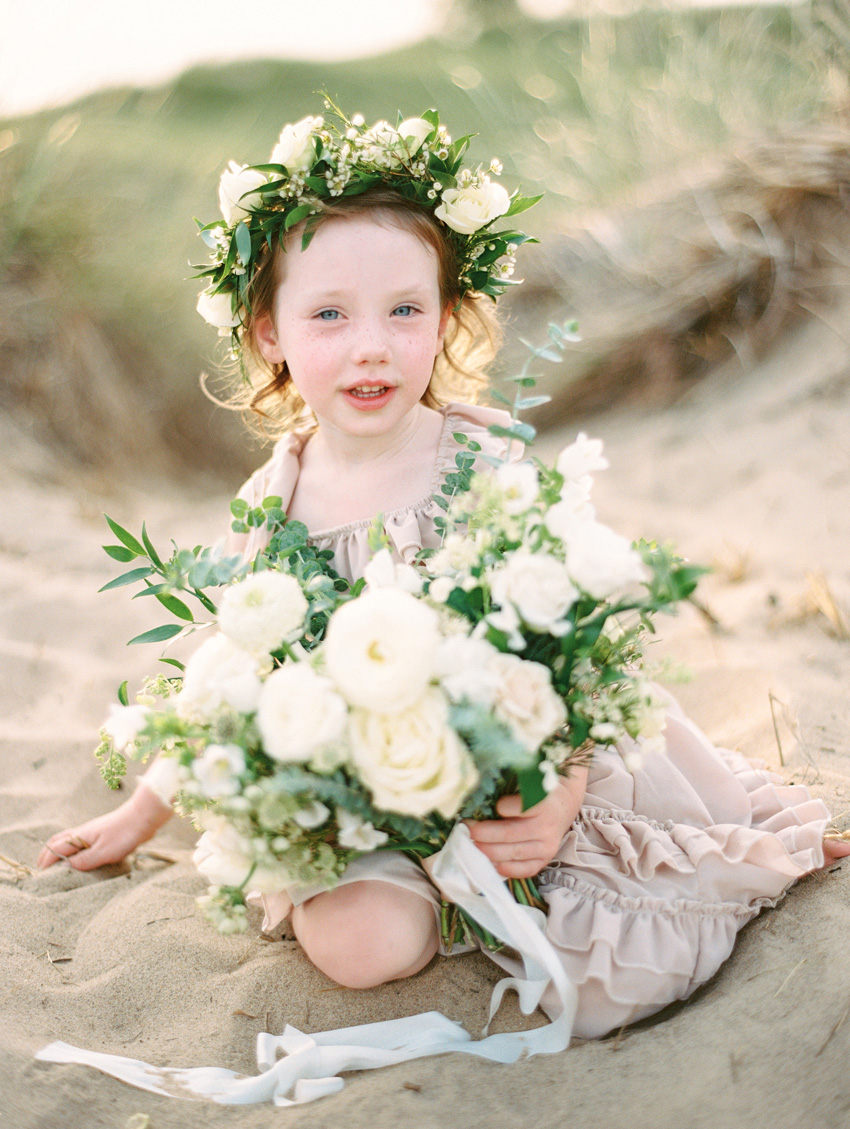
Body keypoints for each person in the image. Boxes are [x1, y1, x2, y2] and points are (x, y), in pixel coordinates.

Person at [37, 108, 849, 1040]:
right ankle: (421, 881)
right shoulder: (275, 496)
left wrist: (560, 796)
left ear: (450, 320)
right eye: (329, 314)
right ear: (269, 333)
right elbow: (226, 670)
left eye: (404, 310)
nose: (371, 344)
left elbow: (578, 656)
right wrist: (144, 812)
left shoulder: (484, 467)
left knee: (591, 870)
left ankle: (507, 865)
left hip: (517, 758)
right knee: (362, 948)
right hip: (360, 788)